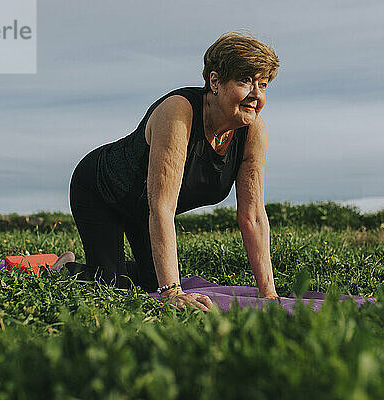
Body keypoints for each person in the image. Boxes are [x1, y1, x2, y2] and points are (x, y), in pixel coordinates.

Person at [58, 32, 280, 312]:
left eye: (263, 84)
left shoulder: (253, 131)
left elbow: (254, 216)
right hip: (101, 189)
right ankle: (64, 268)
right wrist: (173, 292)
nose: (256, 94)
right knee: (109, 284)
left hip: (143, 209)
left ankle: (99, 266)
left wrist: (269, 293)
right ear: (215, 81)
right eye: (245, 81)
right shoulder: (178, 112)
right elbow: (162, 207)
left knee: (151, 284)